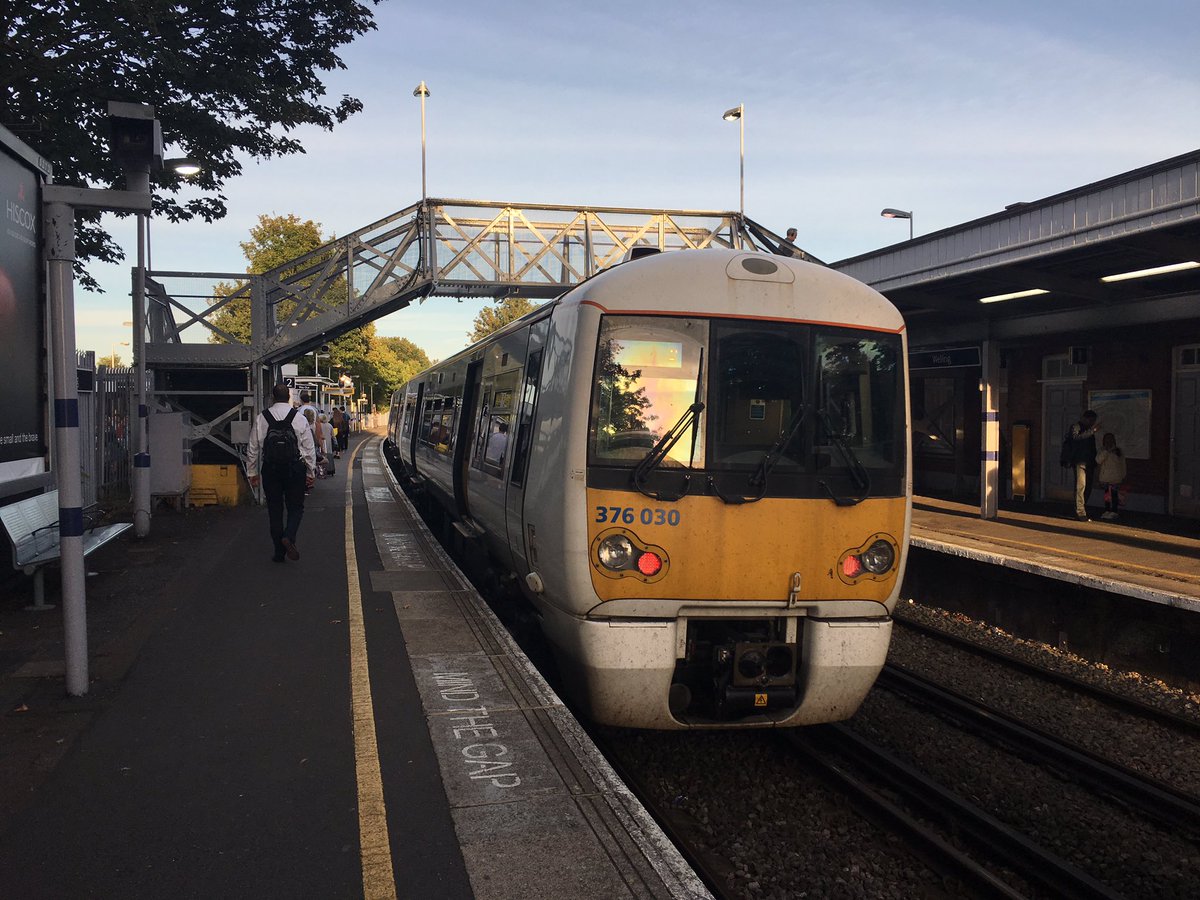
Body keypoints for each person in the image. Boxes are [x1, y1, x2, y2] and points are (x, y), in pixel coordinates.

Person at [247, 383, 316, 562]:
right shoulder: (299, 418)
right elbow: (308, 448)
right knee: (296, 507)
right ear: (289, 398)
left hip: (271, 469)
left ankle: (279, 553)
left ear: (272, 397)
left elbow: (253, 447)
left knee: (275, 510)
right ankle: (289, 536)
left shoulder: (262, 417)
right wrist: (311, 473)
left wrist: (252, 472)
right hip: (294, 468)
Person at [1066, 409, 1100, 521]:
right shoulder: (1076, 427)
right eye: (1091, 420)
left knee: (1088, 486)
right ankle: (1080, 511)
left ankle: (1082, 507)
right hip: (1079, 461)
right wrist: (1091, 431)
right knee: (1081, 486)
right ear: (1085, 418)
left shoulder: (1088, 430)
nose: (1092, 423)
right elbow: (1076, 438)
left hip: (1089, 461)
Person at [1096, 432, 1127, 521]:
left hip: (1115, 477)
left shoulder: (1118, 451)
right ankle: (1107, 510)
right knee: (1107, 495)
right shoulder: (1102, 450)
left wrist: (1123, 475)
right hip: (1105, 477)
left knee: (1114, 494)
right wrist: (1106, 451)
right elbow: (1098, 460)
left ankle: (1114, 511)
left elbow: (1122, 464)